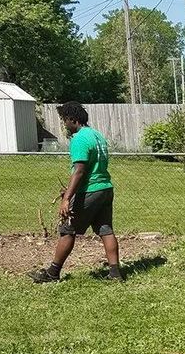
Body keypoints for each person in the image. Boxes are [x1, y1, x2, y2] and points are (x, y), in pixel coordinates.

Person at [29, 102, 122, 283]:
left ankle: (52, 273)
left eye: (65, 120)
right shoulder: (97, 135)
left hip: (90, 191)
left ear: (73, 119)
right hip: (105, 188)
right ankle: (115, 273)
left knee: (67, 230)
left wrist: (67, 198)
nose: (64, 124)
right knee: (105, 229)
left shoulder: (79, 139)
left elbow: (80, 170)